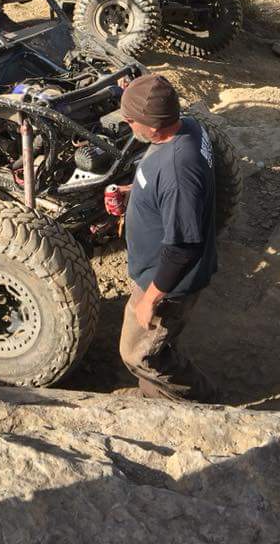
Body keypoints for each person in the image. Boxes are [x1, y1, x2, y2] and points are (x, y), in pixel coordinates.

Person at [109, 74, 220, 403]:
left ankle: (200, 400)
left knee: (138, 354)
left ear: (153, 126)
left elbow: (182, 247)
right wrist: (136, 192)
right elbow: (169, 187)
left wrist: (150, 300)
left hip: (166, 284)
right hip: (157, 271)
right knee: (152, 347)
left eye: (130, 121)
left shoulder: (177, 171)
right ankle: (155, 395)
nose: (128, 125)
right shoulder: (188, 127)